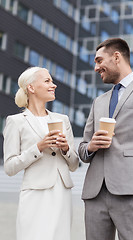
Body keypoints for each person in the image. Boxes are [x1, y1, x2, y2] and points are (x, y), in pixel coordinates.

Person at [78, 38, 133, 240]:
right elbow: (83, 150)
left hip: (132, 193)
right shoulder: (98, 101)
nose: (96, 67)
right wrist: (91, 146)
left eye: (99, 61)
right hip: (95, 194)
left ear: (116, 57)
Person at [3, 67, 79, 240]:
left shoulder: (63, 120)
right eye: (47, 81)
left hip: (62, 192)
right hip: (35, 194)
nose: (54, 85)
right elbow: (9, 167)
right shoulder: (15, 122)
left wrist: (66, 149)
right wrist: (38, 147)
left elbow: (74, 165)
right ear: (31, 87)